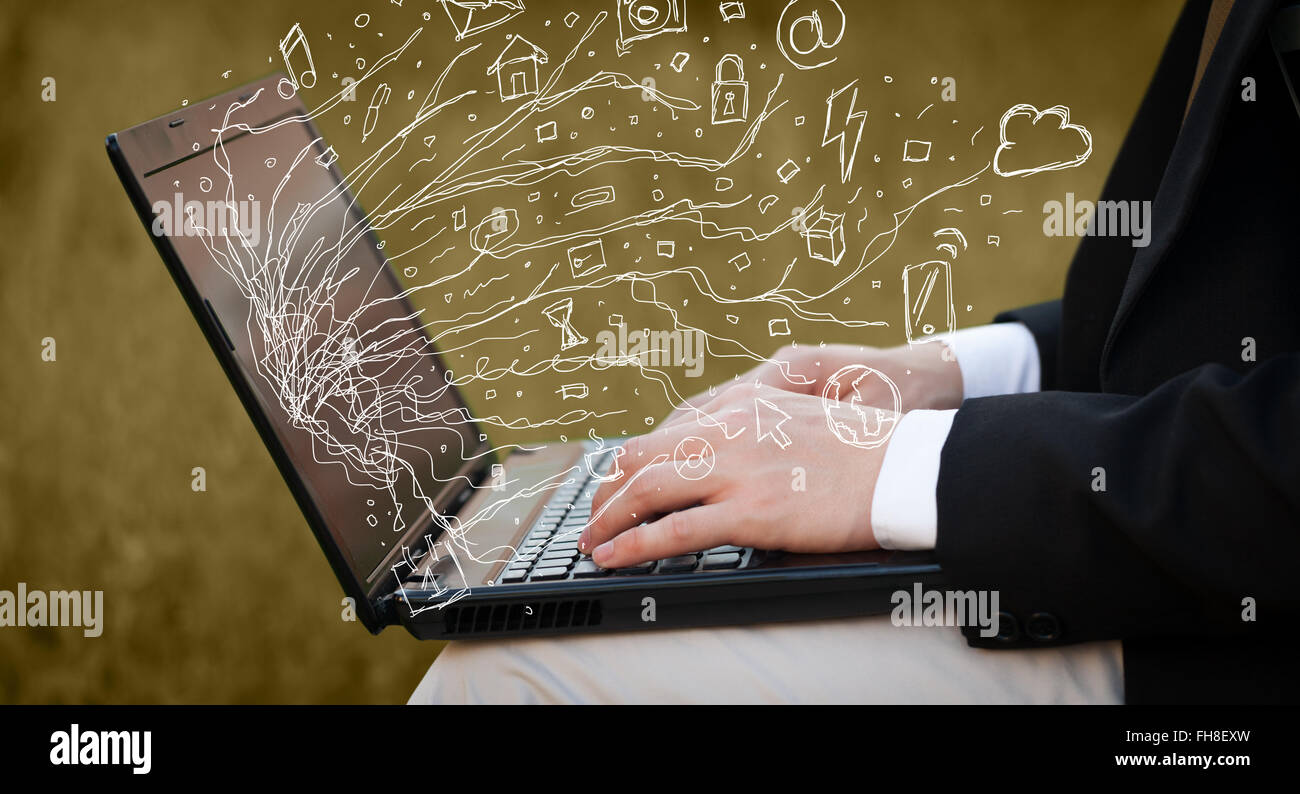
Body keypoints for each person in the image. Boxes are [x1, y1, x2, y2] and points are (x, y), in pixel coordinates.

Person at [412, 0, 1298, 704]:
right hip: (1166, 572)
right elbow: (1229, 299)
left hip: (1211, 666)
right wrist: (954, 376)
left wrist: (898, 472)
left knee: (513, 676)